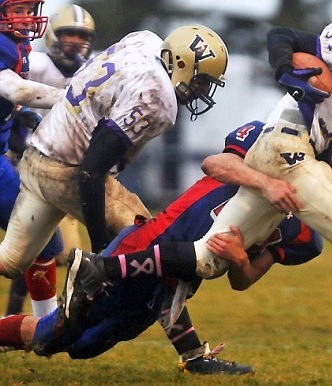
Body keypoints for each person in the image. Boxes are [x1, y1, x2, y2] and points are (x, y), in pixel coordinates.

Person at [66, 8, 332, 383]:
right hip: (286, 141)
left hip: (298, 150)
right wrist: (290, 73)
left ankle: (98, 269)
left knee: (207, 259)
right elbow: (281, 37)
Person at [0, 121, 332, 375]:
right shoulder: (267, 147)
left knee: (82, 346)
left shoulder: (304, 235)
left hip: (180, 276)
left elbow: (242, 280)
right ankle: (96, 268)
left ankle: (193, 356)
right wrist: (265, 184)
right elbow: (215, 164)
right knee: (50, 334)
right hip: (153, 242)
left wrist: (241, 259)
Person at [0, 23, 228, 289]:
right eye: (200, 81)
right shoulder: (158, 98)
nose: (201, 91)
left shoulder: (144, 41)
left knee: (11, 260)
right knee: (153, 242)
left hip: (37, 157)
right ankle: (179, 330)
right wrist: (101, 250)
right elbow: (90, 170)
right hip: (68, 170)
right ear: (179, 64)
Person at [4, 4, 96, 317]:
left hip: (58, 168)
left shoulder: (91, 69)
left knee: (43, 243)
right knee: (47, 244)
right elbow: (15, 94)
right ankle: (34, 320)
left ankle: (37, 322)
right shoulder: (33, 61)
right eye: (68, 33)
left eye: (81, 35)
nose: (74, 40)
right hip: (22, 162)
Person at [0, 0, 67, 318]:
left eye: (30, 9)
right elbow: (14, 89)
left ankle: (46, 325)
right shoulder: (5, 46)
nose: (28, 18)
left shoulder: (20, 45)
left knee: (43, 237)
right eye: (19, 10)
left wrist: (22, 116)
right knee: (40, 234)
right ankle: (47, 325)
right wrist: (72, 98)